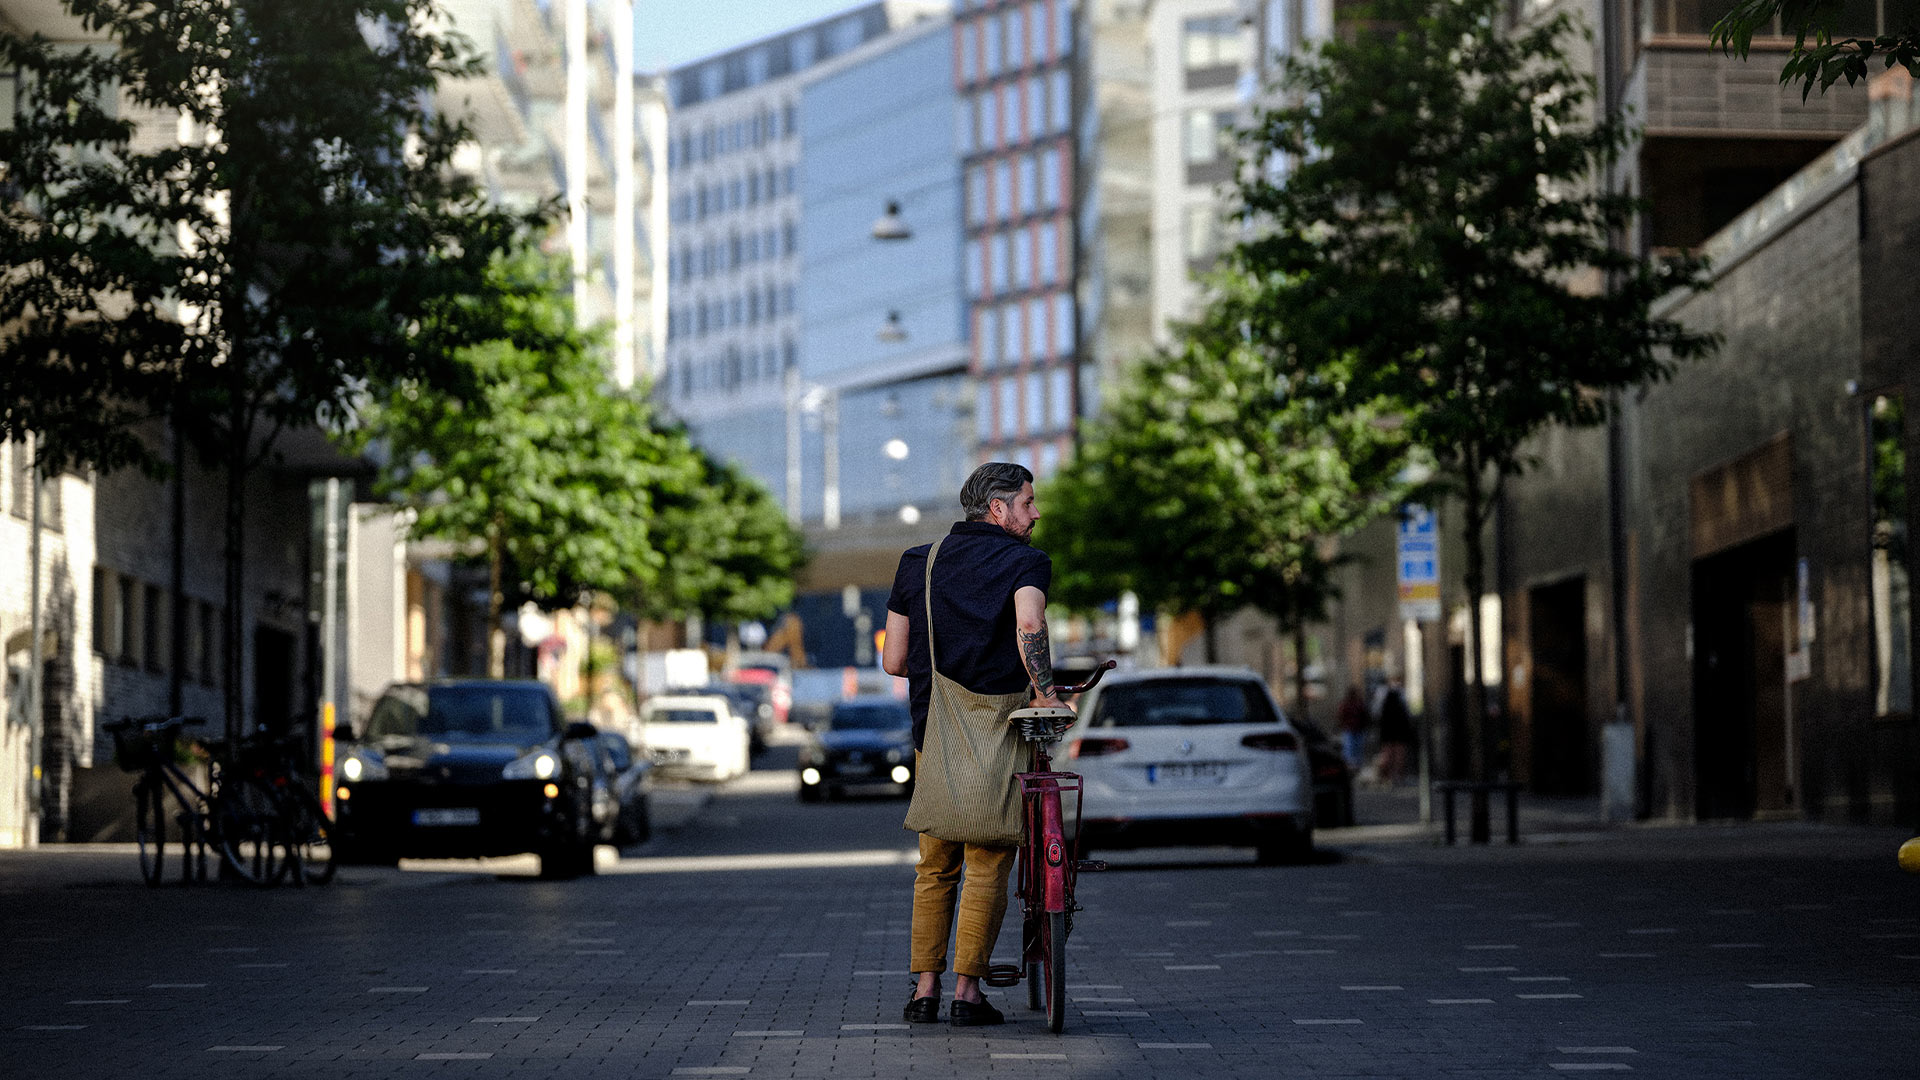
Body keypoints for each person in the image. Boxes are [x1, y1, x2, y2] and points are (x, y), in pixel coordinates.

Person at [882, 462, 1063, 1028]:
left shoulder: (920, 561)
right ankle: (967, 993)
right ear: (998, 508)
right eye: (1028, 504)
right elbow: (1029, 627)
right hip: (997, 733)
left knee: (935, 867)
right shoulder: (1026, 562)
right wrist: (1049, 692)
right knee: (988, 861)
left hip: (931, 735)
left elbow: (892, 660)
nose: (1036, 515)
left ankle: (925, 990)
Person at [1375, 676, 1415, 786]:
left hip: (1386, 727)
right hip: (1399, 727)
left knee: (1387, 752)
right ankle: (1398, 776)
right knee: (1399, 753)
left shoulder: (1382, 693)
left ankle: (1388, 777)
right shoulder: (1402, 694)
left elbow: (1377, 711)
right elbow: (1408, 712)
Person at [1335, 684, 1369, 772]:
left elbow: (1364, 715)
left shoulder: (1359, 703)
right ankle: (1349, 767)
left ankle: (1355, 767)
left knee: (1355, 750)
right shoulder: (1347, 704)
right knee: (1349, 749)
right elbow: (1341, 715)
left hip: (1357, 729)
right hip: (1350, 729)